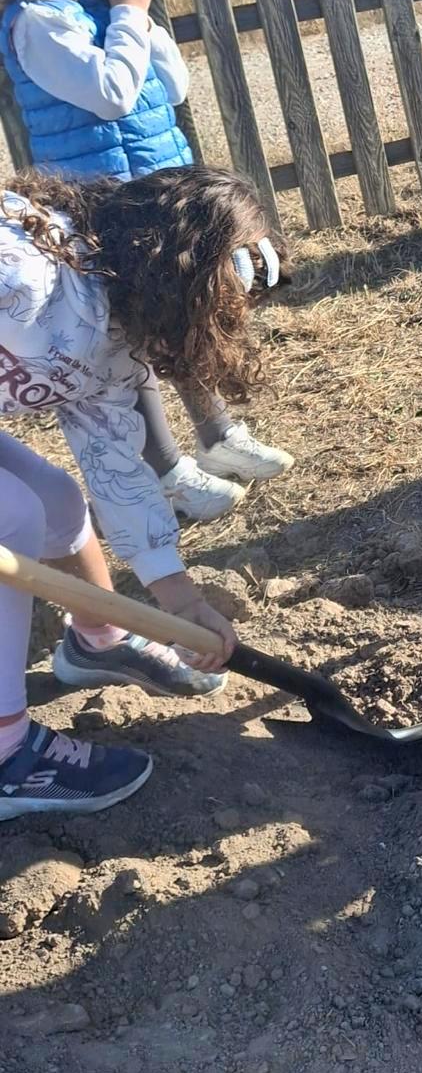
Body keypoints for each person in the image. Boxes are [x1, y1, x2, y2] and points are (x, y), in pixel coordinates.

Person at [1, 0, 292, 522]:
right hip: (99, 205)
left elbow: (173, 85)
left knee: (184, 308)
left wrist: (136, 16)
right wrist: (128, 17)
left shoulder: (103, 6)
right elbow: (111, 93)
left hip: (158, 193)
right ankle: (165, 470)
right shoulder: (37, 22)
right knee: (127, 338)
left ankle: (219, 438)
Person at [0, 165, 276, 818]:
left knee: (56, 502)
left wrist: (178, 599)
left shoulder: (113, 342)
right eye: (221, 305)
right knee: (12, 516)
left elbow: (117, 471)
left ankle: (96, 639)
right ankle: (7, 759)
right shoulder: (26, 272)